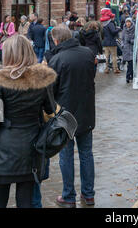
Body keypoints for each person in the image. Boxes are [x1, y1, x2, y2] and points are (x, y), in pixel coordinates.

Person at [0, 34, 57, 208]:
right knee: (26, 202)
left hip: (3, 150)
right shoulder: (42, 80)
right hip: (32, 148)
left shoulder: (0, 81)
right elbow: (51, 111)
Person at [47, 26, 96, 208]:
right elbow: (91, 78)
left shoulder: (57, 60)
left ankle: (69, 196)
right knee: (86, 154)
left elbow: (51, 91)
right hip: (86, 112)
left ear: (57, 40)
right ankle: (88, 194)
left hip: (65, 116)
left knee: (66, 157)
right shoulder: (88, 54)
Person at [101, 9, 121, 74]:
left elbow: (102, 34)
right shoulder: (110, 23)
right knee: (114, 56)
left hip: (105, 43)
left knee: (106, 57)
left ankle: (106, 69)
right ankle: (115, 69)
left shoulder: (103, 24)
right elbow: (113, 32)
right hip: (112, 42)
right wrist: (118, 29)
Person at [121, 17, 135, 83]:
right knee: (129, 64)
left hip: (132, 49)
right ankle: (131, 76)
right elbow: (122, 38)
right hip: (126, 49)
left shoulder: (134, 29)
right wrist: (122, 44)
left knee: (131, 63)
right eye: (127, 22)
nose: (128, 23)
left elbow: (137, 39)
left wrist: (131, 41)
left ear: (131, 22)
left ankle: (127, 76)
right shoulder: (124, 29)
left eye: (129, 22)